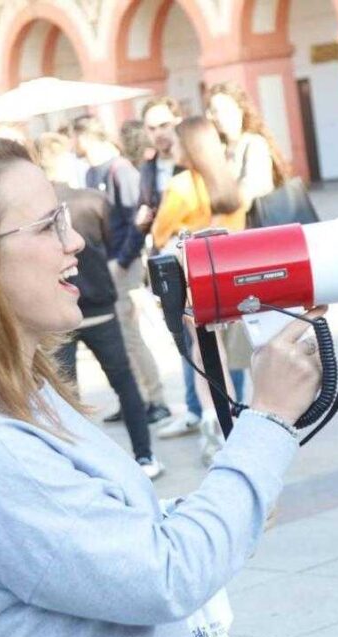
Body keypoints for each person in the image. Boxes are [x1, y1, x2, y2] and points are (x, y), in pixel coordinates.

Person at [0, 137, 324, 637]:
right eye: (47, 227)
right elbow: (164, 576)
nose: (76, 241)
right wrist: (269, 416)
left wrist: (218, 509)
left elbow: (88, 541)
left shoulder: (10, 395)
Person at [37, 131, 165, 480]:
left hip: (59, 308)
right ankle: (145, 455)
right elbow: (112, 242)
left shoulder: (35, 214)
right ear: (66, 160)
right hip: (100, 303)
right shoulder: (91, 200)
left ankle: (81, 469)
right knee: (124, 382)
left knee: (67, 396)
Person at [150, 117, 248, 465]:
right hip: (230, 280)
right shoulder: (229, 182)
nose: (170, 147)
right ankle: (236, 417)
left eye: (176, 142)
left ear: (190, 147)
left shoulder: (181, 186)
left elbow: (160, 235)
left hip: (193, 282)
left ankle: (214, 420)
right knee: (226, 354)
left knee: (205, 352)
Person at [71, 115, 172, 426]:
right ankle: (135, 400)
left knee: (130, 336)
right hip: (106, 266)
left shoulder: (120, 170)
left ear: (86, 137)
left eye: (74, 137)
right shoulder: (92, 173)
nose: (72, 144)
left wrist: (122, 261)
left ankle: (156, 400)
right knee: (121, 339)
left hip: (121, 266)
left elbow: (135, 222)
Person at [133, 97, 203, 439]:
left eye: (165, 125)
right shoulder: (147, 168)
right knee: (186, 340)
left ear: (177, 121)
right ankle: (195, 409)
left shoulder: (191, 166)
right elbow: (149, 216)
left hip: (193, 260)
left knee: (203, 341)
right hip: (165, 262)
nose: (159, 133)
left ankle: (209, 410)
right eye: (152, 127)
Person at [205, 81, 291, 214]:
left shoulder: (254, 144)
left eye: (224, 110)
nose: (217, 117)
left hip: (255, 225)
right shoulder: (218, 148)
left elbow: (251, 191)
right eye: (213, 111)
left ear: (240, 110)